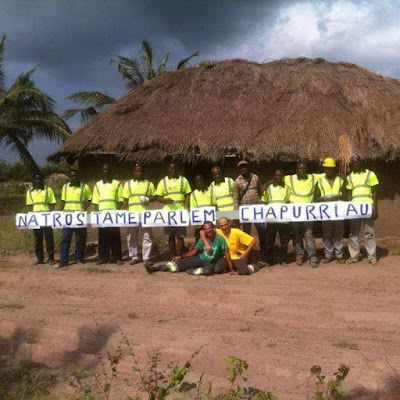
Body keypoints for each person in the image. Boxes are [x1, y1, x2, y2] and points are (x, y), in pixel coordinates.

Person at [144, 221, 229, 275]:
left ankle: (193, 271)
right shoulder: (203, 238)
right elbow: (195, 250)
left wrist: (231, 268)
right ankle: (155, 268)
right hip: (201, 258)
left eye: (210, 228)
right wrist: (182, 256)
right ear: (204, 230)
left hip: (211, 262)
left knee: (208, 271)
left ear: (213, 228)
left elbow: (226, 253)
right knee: (178, 263)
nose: (208, 230)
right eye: (206, 229)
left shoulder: (220, 238)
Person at [284, 162, 319, 268]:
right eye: (299, 169)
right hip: (294, 213)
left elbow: (328, 174)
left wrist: (342, 176)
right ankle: (299, 255)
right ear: (296, 170)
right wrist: (265, 186)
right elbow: (276, 179)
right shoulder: (289, 179)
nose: (301, 171)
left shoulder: (313, 177)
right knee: (296, 234)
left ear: (307, 170)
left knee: (309, 234)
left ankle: (312, 257)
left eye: (303, 169)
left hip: (308, 213)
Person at [346, 155, 379, 265]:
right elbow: (349, 193)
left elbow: (374, 192)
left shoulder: (370, 174)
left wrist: (375, 207)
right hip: (355, 208)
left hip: (367, 207)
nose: (355, 164)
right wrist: (350, 206)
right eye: (353, 163)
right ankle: (354, 256)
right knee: (353, 233)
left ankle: (372, 257)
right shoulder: (350, 177)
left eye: (357, 162)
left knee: (369, 232)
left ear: (361, 162)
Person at [233, 160, 267, 261]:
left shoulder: (255, 177)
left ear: (248, 167)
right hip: (245, 210)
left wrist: (259, 202)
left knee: (262, 231)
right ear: (239, 170)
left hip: (257, 209)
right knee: (246, 234)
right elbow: (235, 199)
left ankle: (264, 253)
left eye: (245, 166)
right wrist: (236, 215)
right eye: (241, 167)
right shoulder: (237, 182)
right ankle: (248, 255)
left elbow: (260, 191)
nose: (243, 169)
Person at [156, 162, 191, 257]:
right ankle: (172, 256)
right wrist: (164, 200)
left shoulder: (184, 180)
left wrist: (186, 206)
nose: (173, 170)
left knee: (180, 236)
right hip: (168, 213)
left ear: (178, 169)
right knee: (170, 237)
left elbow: (188, 194)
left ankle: (179, 256)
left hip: (180, 213)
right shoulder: (163, 182)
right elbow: (158, 197)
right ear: (167, 169)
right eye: (171, 169)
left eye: (175, 169)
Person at [123, 164, 156, 267]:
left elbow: (154, 197)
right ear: (134, 172)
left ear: (143, 172)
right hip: (132, 213)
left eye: (141, 171)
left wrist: (147, 199)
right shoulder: (128, 184)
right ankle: (134, 256)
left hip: (145, 213)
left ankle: (147, 258)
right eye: (137, 171)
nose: (139, 173)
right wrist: (127, 211)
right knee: (131, 236)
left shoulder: (149, 184)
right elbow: (125, 199)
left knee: (147, 236)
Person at [57, 170, 92, 268]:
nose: (74, 177)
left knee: (80, 239)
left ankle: (79, 259)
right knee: (65, 239)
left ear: (78, 176)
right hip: (67, 218)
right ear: (70, 177)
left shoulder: (84, 187)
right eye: (72, 176)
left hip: (79, 217)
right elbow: (63, 201)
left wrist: (84, 208)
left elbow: (90, 199)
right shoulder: (65, 187)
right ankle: (63, 260)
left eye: (76, 176)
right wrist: (57, 212)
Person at [315, 158, 346, 264]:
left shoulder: (340, 180)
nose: (329, 171)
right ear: (324, 169)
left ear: (334, 169)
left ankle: (339, 254)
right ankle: (328, 254)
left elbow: (346, 195)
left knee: (338, 233)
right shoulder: (320, 181)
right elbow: (316, 198)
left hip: (338, 211)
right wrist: (326, 199)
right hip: (326, 212)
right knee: (327, 234)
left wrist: (339, 197)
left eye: (331, 168)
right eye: (327, 168)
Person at [92, 164, 124, 265]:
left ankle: (117, 257)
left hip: (113, 216)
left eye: (108, 169)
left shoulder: (117, 184)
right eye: (104, 169)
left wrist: (115, 212)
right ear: (102, 171)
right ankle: (103, 258)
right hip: (102, 215)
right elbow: (96, 202)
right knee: (102, 237)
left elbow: (120, 200)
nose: (106, 171)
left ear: (111, 171)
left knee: (115, 237)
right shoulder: (98, 185)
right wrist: (97, 214)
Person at [262, 168, 291, 266]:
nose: (278, 177)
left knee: (284, 239)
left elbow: (288, 201)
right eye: (277, 175)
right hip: (271, 218)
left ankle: (283, 259)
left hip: (283, 218)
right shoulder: (269, 188)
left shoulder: (287, 188)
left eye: (280, 175)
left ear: (282, 177)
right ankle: (270, 260)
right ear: (274, 176)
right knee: (270, 239)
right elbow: (265, 201)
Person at [26, 172, 57, 265]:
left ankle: (51, 258)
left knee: (49, 239)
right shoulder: (29, 192)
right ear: (33, 180)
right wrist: (32, 216)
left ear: (42, 180)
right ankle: (40, 259)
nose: (38, 180)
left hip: (46, 218)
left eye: (40, 179)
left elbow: (53, 203)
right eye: (36, 179)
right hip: (36, 219)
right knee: (38, 239)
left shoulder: (48, 190)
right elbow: (29, 205)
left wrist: (48, 213)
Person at [190, 174, 213, 242]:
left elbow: (214, 205)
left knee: (211, 240)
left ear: (204, 181)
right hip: (199, 224)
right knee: (200, 241)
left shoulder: (211, 191)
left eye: (201, 181)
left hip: (210, 223)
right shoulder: (193, 194)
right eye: (197, 181)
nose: (199, 183)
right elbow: (193, 210)